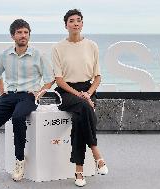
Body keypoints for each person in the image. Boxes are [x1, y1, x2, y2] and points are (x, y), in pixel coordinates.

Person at [0, 19, 54, 182]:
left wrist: (38, 94)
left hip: (29, 96)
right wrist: (3, 93)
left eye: (26, 32)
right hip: (9, 96)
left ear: (29, 35)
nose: (23, 35)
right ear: (13, 36)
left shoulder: (38, 55)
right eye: (19, 32)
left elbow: (49, 79)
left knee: (18, 117)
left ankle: (19, 161)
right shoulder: (5, 55)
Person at [52, 9, 108, 187]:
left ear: (82, 24)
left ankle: (79, 170)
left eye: (78, 20)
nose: (75, 23)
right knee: (84, 107)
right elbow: (59, 80)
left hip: (87, 89)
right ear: (66, 25)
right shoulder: (57, 48)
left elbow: (98, 77)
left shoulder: (92, 46)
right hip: (66, 92)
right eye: (71, 21)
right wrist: (81, 96)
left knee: (79, 119)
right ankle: (96, 153)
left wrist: (88, 94)